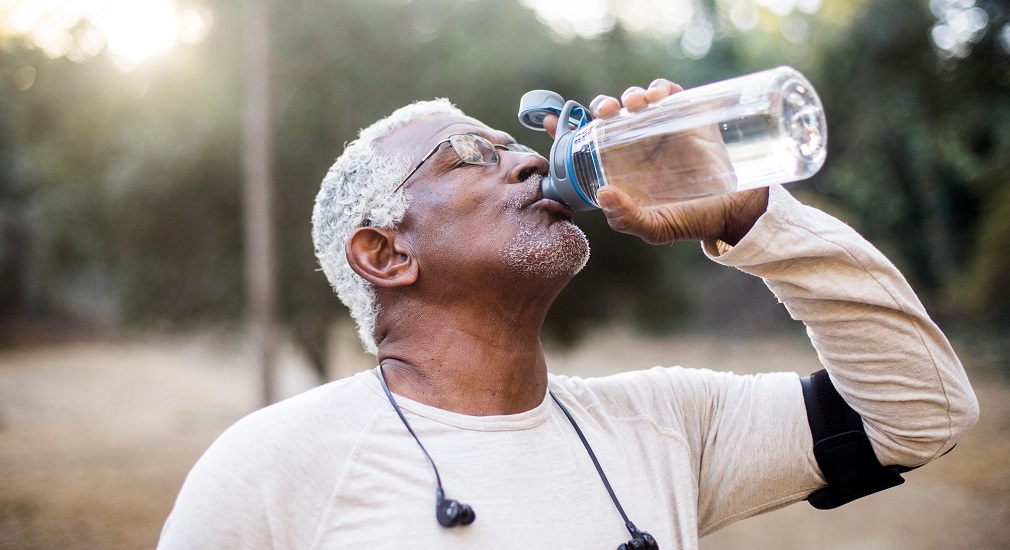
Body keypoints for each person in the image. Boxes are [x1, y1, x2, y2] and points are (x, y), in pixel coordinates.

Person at [158, 79, 978, 549]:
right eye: (471, 154)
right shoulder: (272, 468)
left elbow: (923, 412)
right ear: (386, 255)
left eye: (509, 142)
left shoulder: (666, 425)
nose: (524, 157)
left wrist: (751, 219)